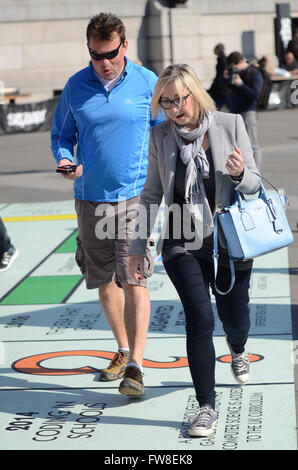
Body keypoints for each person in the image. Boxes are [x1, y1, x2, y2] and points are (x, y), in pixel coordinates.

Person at [128, 64, 260, 437]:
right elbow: (152, 193)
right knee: (199, 318)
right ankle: (206, 407)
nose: (173, 109)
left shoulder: (230, 124)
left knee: (235, 317)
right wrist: (140, 245)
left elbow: (253, 184)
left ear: (195, 94)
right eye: (165, 102)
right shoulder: (161, 137)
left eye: (179, 100)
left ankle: (237, 347)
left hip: (229, 238)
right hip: (182, 240)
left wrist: (238, 175)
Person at [51, 13, 162, 396]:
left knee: (134, 278)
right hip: (89, 199)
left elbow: (167, 132)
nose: (104, 63)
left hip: (135, 197)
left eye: (111, 53)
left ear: (125, 46)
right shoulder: (76, 86)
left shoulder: (148, 83)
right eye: (96, 55)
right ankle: (123, 348)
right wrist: (65, 160)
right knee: (103, 280)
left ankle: (136, 367)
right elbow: (62, 135)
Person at [225, 51, 263, 172]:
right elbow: (225, 89)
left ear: (240, 62)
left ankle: (256, 173)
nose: (234, 70)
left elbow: (256, 94)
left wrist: (241, 84)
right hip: (235, 112)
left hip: (249, 111)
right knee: (238, 144)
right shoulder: (235, 74)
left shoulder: (254, 72)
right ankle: (244, 171)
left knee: (252, 144)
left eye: (234, 67)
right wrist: (225, 78)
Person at [208, 43, 231, 109]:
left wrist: (218, 82)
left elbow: (222, 73)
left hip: (222, 87)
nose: (214, 50)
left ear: (219, 49)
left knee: (218, 104)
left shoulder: (222, 59)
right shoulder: (221, 58)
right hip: (221, 86)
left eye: (215, 49)